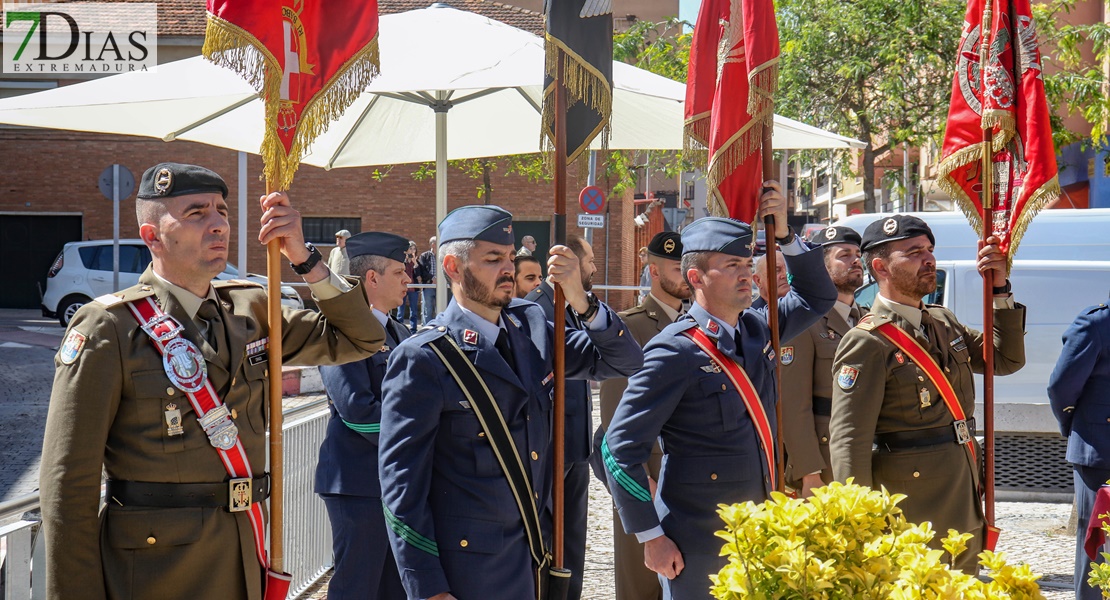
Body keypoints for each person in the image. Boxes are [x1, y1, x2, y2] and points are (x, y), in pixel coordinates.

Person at [40, 162, 386, 600]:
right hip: (155, 571)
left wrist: (305, 257)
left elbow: (362, 338)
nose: (218, 224)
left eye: (221, 210)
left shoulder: (252, 310)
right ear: (152, 236)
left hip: (244, 554)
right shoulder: (108, 327)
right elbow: (68, 484)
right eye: (196, 213)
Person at [378, 205, 642, 600]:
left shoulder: (531, 326)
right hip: (469, 572)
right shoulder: (424, 357)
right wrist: (428, 588)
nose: (507, 267)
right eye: (492, 258)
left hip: (537, 557)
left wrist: (581, 300)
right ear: (452, 267)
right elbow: (401, 487)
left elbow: (624, 360)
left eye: (509, 256)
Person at [602, 181, 837, 599]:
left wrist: (785, 237)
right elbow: (619, 449)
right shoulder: (673, 350)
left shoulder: (756, 327)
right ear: (695, 277)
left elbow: (818, 296)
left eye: (748, 264)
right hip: (699, 540)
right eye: (731, 266)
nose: (747, 274)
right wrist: (650, 535)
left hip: (761, 526)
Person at [829, 214, 1026, 572]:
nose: (929, 258)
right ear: (881, 267)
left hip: (962, 482)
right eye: (914, 252)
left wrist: (999, 291)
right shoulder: (867, 341)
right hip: (910, 501)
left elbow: (1005, 359)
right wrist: (858, 521)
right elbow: (849, 440)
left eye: (930, 249)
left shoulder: (942, 321)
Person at [525, 233, 640, 600]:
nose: (594, 267)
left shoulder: (576, 307)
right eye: (589, 260)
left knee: (572, 546)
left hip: (574, 448)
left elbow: (620, 359)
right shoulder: (533, 311)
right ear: (571, 263)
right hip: (543, 450)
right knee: (543, 547)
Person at [315, 231, 414, 599]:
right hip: (358, 481)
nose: (408, 279)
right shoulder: (342, 330)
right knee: (358, 586)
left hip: (394, 482)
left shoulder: (401, 331)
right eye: (399, 272)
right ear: (372, 277)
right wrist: (414, 436)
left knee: (396, 587)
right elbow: (357, 411)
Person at [595, 230, 690, 600]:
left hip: (688, 476)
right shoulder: (629, 327)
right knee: (641, 586)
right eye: (674, 266)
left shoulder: (698, 325)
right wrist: (644, 487)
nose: (684, 273)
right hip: (644, 479)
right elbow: (614, 423)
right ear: (652, 270)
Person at [780, 226, 864, 497]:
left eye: (858, 254)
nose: (856, 260)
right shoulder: (804, 322)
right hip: (825, 456)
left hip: (865, 448)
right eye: (844, 255)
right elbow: (793, 404)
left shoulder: (868, 318)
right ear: (822, 268)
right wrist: (809, 473)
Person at [1048, 298, 1110, 600]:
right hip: (1102, 452)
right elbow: (1061, 386)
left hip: (1098, 440)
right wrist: (1077, 427)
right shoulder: (1096, 323)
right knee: (1096, 542)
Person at [416, 236, 438, 325]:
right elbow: (422, 271)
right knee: (427, 309)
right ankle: (426, 330)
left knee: (441, 309)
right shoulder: (424, 256)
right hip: (429, 286)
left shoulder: (442, 255)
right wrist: (432, 278)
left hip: (441, 287)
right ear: (433, 244)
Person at [402, 241, 420, 331]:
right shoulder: (402, 260)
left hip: (413, 288)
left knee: (414, 311)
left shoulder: (416, 261)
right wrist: (405, 260)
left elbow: (418, 275)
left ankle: (413, 330)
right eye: (410, 249)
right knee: (400, 311)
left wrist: (415, 263)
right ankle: (400, 329)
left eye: (414, 249)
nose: (412, 251)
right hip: (403, 287)